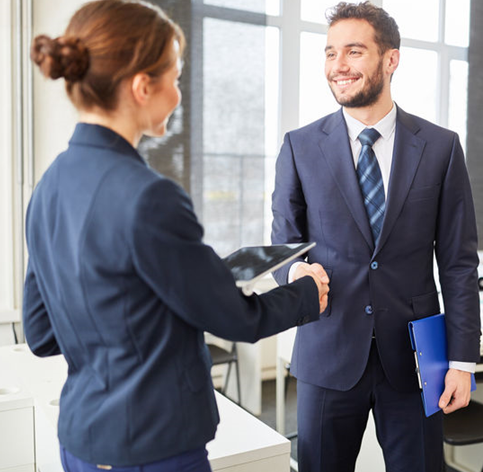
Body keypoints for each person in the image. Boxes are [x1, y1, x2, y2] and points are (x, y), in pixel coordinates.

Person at [24, 1, 328, 471]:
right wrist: (307, 293)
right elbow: (237, 321)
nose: (180, 94)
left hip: (81, 441)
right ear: (143, 87)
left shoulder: (49, 186)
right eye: (177, 78)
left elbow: (43, 333)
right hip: (150, 449)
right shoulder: (149, 197)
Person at [270, 2, 481, 471]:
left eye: (353, 51)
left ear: (391, 59)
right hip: (328, 350)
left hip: (416, 360)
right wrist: (294, 271)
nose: (338, 66)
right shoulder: (299, 146)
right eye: (329, 53)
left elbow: (459, 263)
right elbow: (284, 243)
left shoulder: (441, 147)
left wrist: (462, 361)